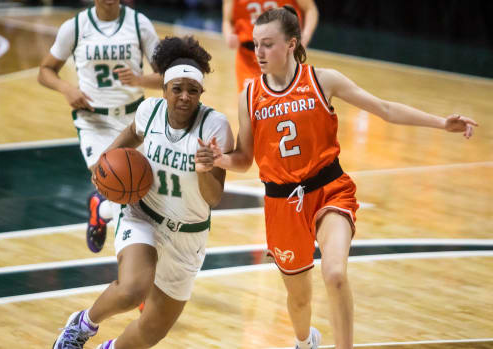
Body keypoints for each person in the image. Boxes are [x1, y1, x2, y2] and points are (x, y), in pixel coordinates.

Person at [197, 6, 478, 349]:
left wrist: (440, 123)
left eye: (268, 44)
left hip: (329, 190)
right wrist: (218, 159)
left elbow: (385, 109)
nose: (259, 52)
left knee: (334, 273)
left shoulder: (322, 80)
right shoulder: (250, 95)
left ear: (291, 44)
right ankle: (305, 341)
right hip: (281, 204)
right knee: (299, 301)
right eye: (256, 44)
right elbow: (244, 160)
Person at [52, 35, 234, 349]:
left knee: (153, 330)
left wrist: (205, 169)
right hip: (142, 215)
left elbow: (213, 198)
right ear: (164, 90)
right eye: (177, 89)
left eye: (193, 91)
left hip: (187, 236)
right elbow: (120, 146)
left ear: (201, 93)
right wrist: (104, 172)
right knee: (132, 290)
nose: (184, 97)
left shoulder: (215, 126)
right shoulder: (149, 112)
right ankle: (81, 326)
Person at [38, 0, 162, 254]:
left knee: (142, 193)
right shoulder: (75, 26)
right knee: (120, 189)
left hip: (134, 119)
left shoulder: (139, 24)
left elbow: (165, 75)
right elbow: (45, 71)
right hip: (93, 120)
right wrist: (67, 89)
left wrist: (139, 79)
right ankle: (134, 268)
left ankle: (100, 207)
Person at [222, 0, 318, 92]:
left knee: (284, 103)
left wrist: (305, 37)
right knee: (251, 103)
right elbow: (227, 20)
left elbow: (310, 9)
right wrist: (229, 35)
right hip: (248, 58)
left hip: (282, 56)